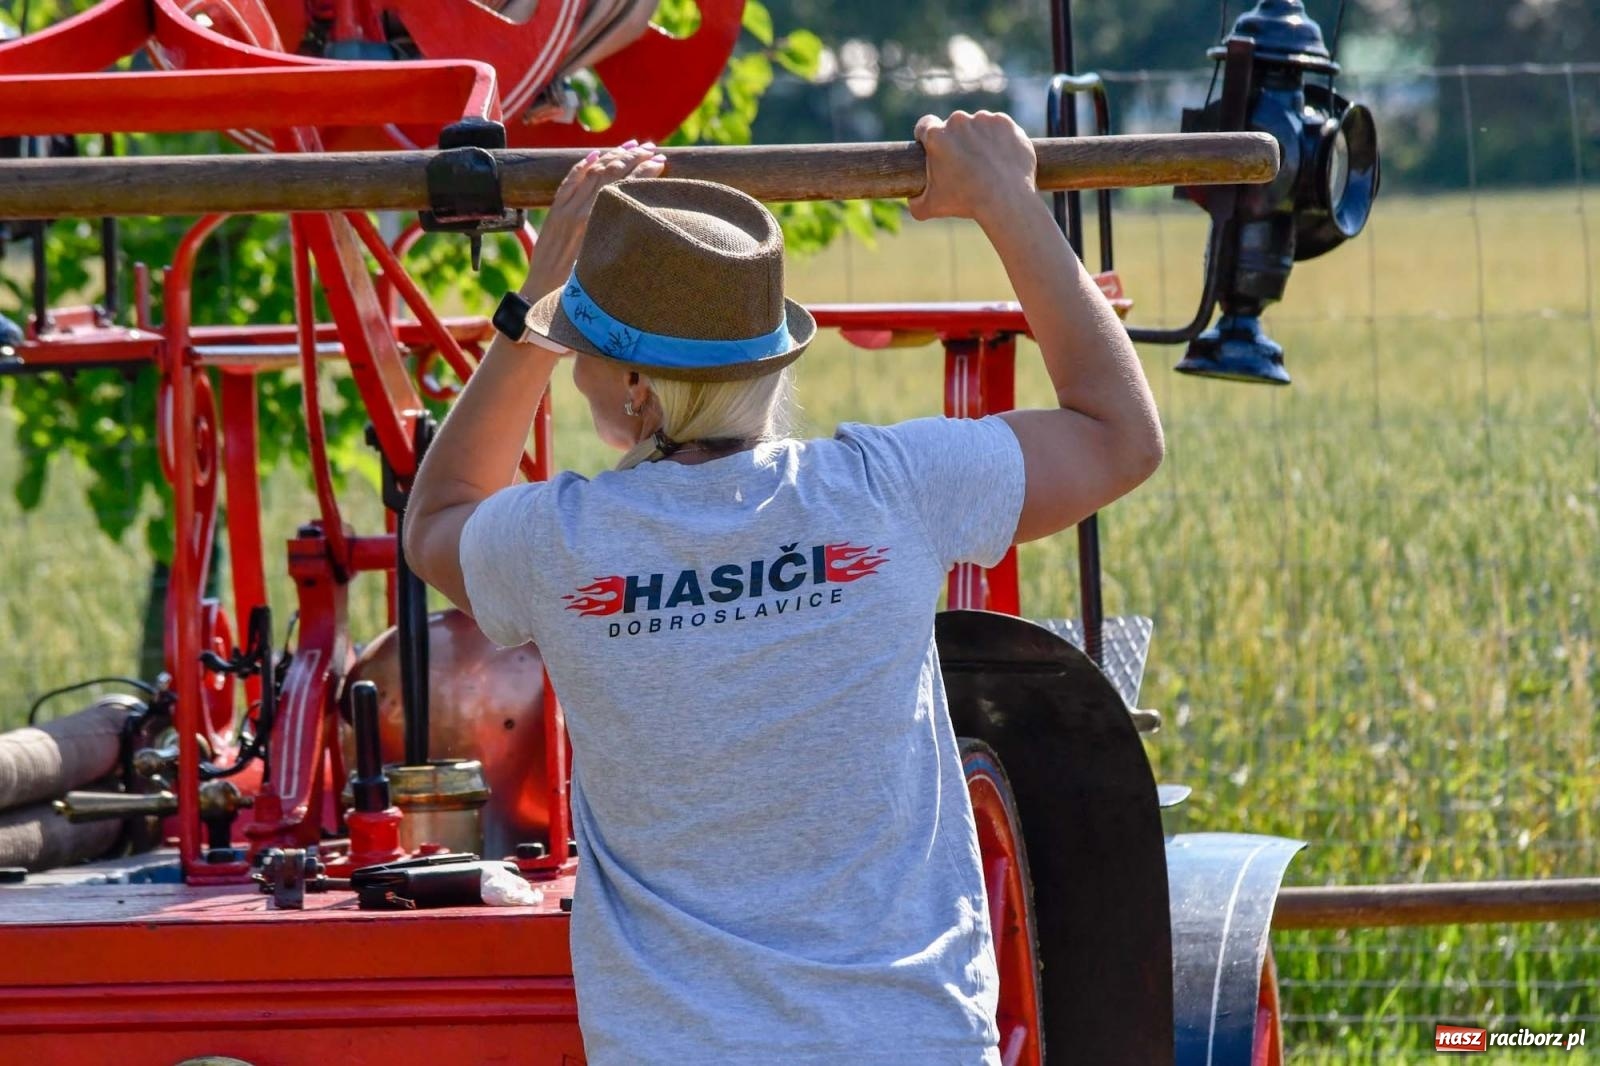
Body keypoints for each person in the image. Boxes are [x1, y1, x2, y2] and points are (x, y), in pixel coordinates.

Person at [405, 113, 1163, 1066]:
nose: (574, 364)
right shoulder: (893, 489)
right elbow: (1119, 435)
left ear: (634, 385)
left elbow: (435, 519)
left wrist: (533, 311)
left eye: (580, 346)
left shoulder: (559, 543)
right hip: (910, 1042)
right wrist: (1005, 199)